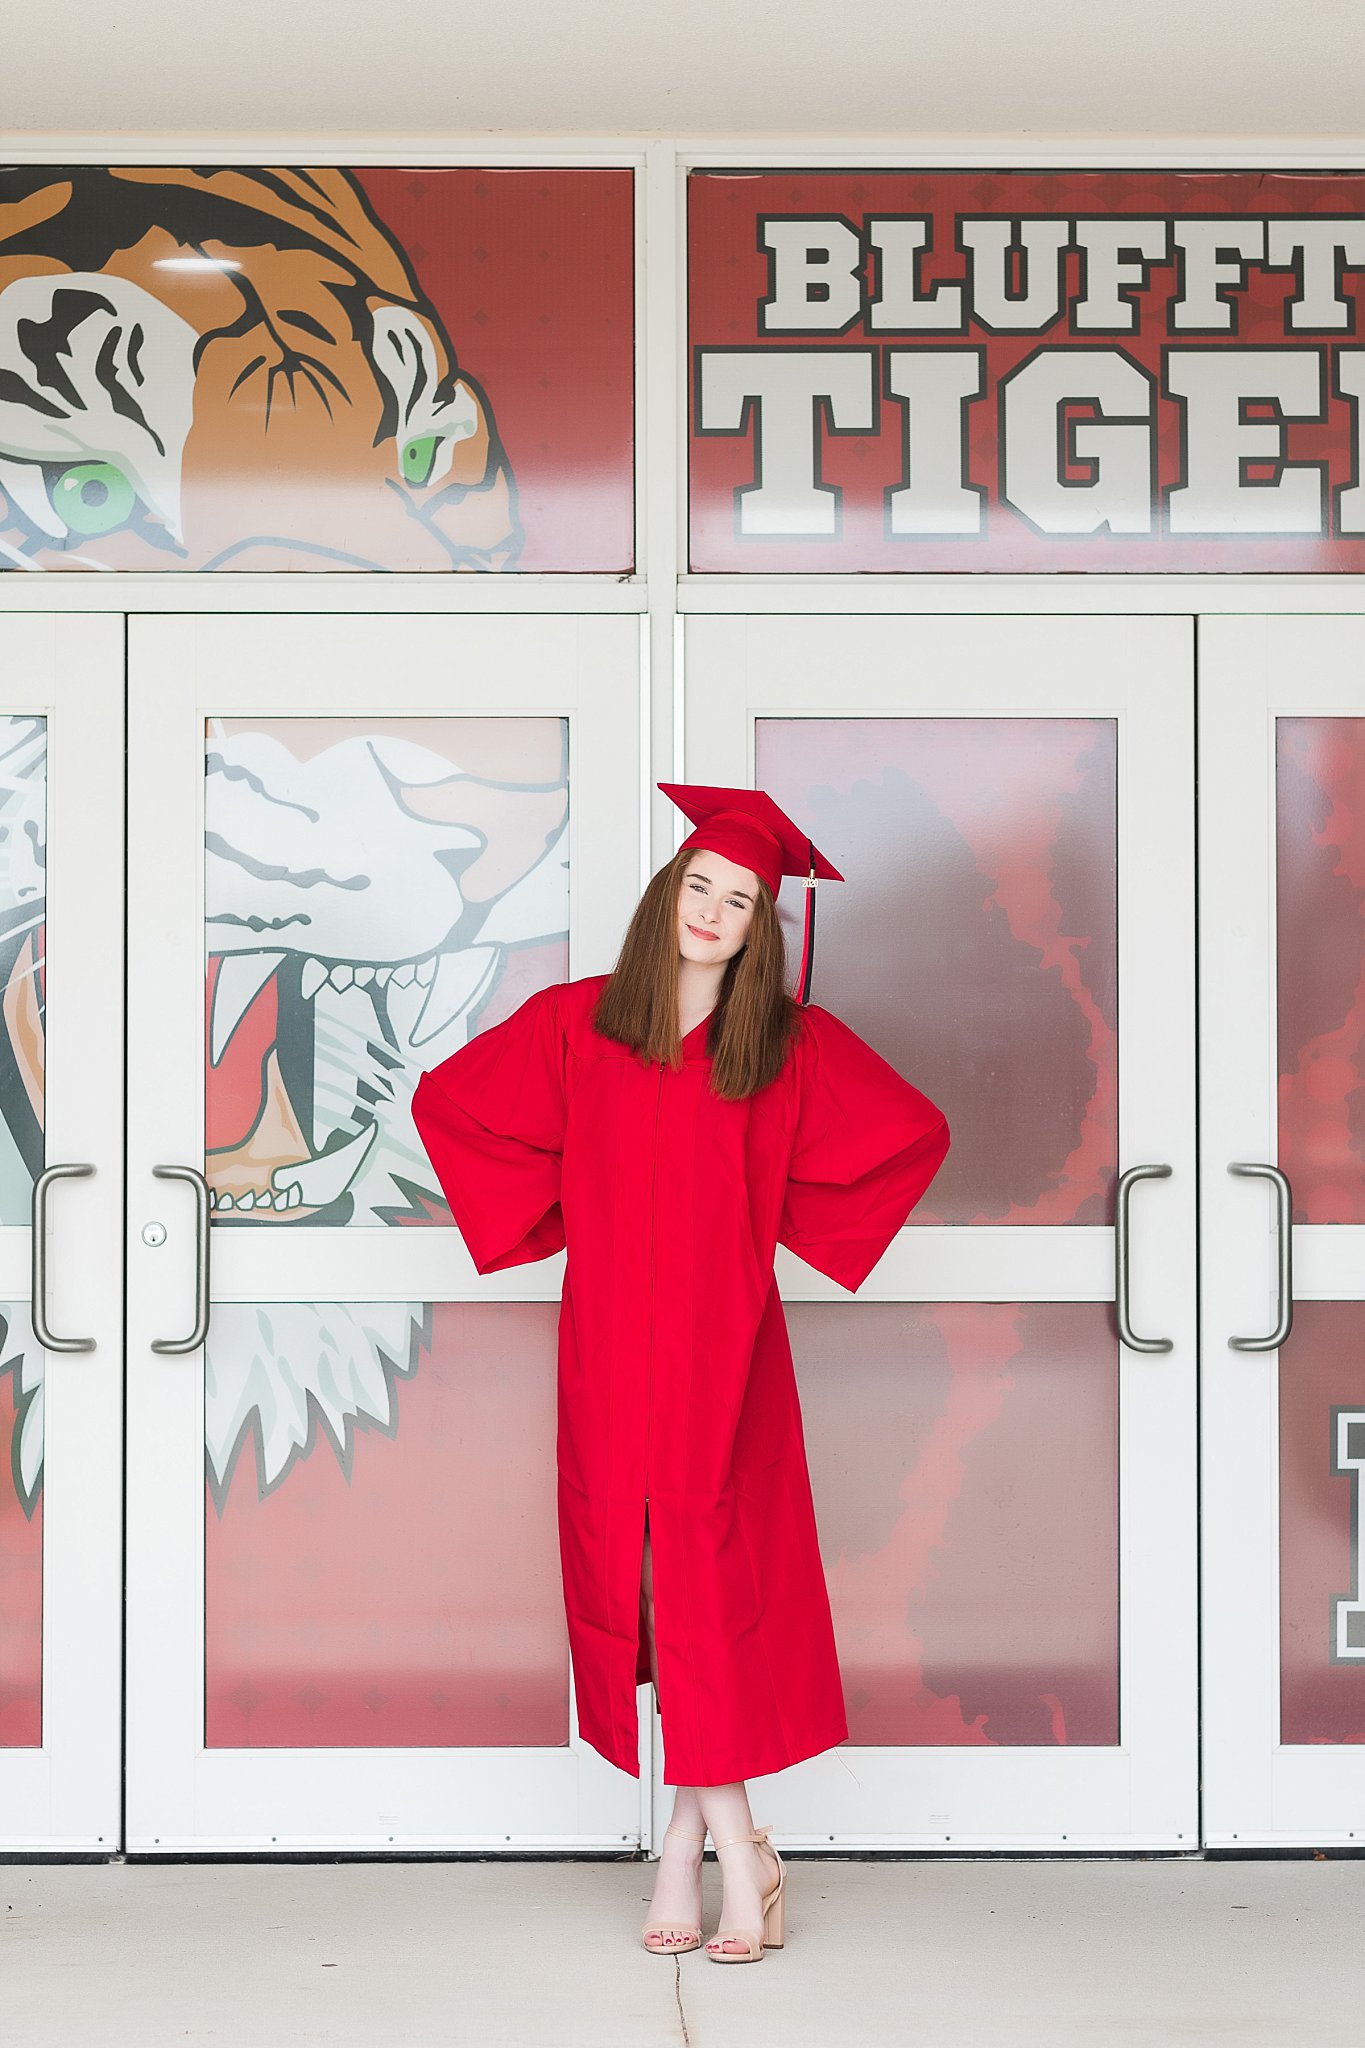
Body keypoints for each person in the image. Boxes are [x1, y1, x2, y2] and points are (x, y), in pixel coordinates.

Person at [411, 782, 950, 1962]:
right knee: (648, 1593)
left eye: (742, 898)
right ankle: (725, 1845)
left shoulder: (785, 1051)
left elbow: (909, 1133)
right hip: (607, 1346)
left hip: (727, 1355)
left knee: (706, 1586)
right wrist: (566, 1218)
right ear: (669, 896)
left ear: (763, 926)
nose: (715, 910)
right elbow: (453, 1106)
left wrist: (776, 1223)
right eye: (701, 886)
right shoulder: (576, 1026)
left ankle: (700, 1849)